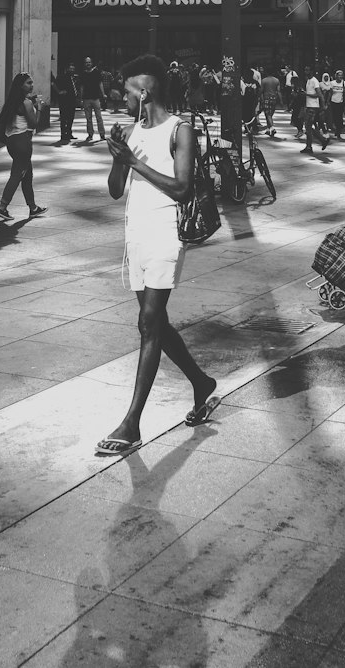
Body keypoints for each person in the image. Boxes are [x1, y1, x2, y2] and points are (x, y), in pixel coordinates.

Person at [95, 54, 218, 457]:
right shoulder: (133, 130)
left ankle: (131, 423)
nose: (121, 97)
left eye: (127, 91)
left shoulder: (180, 130)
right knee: (157, 325)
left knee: (148, 323)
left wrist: (134, 162)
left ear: (144, 92)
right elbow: (116, 190)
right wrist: (119, 157)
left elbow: (182, 188)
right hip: (135, 236)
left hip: (167, 234)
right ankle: (201, 383)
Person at [0, 73, 46, 220]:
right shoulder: (26, 103)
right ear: (21, 85)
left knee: (27, 175)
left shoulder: (13, 101)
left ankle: (33, 207)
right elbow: (34, 124)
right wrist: (40, 108)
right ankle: (2, 207)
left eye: (32, 82)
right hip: (23, 141)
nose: (32, 85)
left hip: (12, 141)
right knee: (17, 175)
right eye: (28, 83)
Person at [300, 66, 330, 154]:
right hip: (309, 106)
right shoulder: (308, 80)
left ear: (311, 71)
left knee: (308, 126)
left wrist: (306, 94)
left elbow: (319, 94)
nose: (306, 71)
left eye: (308, 70)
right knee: (308, 127)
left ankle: (322, 140)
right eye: (305, 70)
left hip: (313, 107)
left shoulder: (314, 81)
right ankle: (309, 146)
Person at [80, 55, 107, 143]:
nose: (88, 64)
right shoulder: (83, 74)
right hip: (86, 98)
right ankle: (90, 134)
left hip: (96, 98)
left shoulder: (97, 72)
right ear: (85, 64)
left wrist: (103, 94)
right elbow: (82, 86)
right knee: (88, 118)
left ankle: (102, 134)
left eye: (89, 62)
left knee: (99, 117)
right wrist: (81, 97)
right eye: (86, 62)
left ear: (92, 63)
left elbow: (100, 84)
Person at [55, 62, 80, 145]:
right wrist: (59, 92)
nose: (72, 70)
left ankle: (69, 133)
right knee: (64, 118)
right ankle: (63, 134)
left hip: (72, 100)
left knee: (70, 117)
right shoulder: (62, 77)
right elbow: (54, 84)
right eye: (70, 68)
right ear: (67, 69)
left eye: (73, 69)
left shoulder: (74, 78)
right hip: (64, 101)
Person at [328, 70, 345, 139]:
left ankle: (338, 131)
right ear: (336, 76)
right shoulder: (332, 83)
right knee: (334, 117)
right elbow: (330, 93)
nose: (340, 77)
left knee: (339, 117)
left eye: (341, 75)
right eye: (339, 75)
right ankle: (337, 129)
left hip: (341, 102)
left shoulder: (344, 83)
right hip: (333, 101)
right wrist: (327, 101)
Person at [260, 68, 280, 135]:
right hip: (274, 98)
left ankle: (272, 127)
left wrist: (261, 99)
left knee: (268, 114)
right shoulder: (276, 80)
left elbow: (261, 91)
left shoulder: (264, 80)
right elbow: (278, 91)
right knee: (270, 114)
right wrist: (281, 100)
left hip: (266, 97)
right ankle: (268, 129)